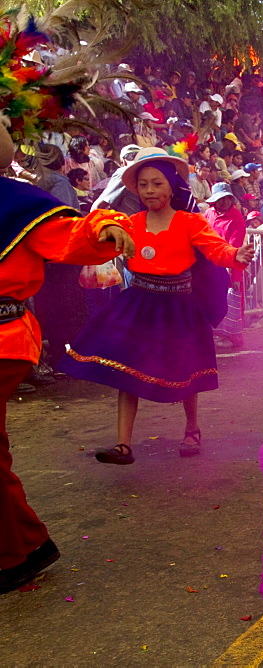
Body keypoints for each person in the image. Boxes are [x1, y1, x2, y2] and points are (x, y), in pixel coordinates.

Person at [0, 120, 135, 595]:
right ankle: (24, 548)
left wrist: (107, 225)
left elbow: (75, 237)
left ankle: (21, 551)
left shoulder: (18, 203)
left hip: (4, 339)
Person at [59, 148, 255, 465]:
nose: (150, 190)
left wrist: (236, 256)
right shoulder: (129, 223)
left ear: (171, 187)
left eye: (158, 184)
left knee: (185, 371)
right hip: (139, 304)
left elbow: (216, 249)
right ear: (136, 189)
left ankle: (192, 428)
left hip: (179, 307)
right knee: (126, 370)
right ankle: (123, 445)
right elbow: (93, 227)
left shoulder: (190, 222)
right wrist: (105, 226)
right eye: (145, 184)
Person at [204, 183, 247, 348]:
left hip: (229, 263)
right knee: (212, 301)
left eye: (227, 199)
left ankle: (232, 337)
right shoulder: (208, 213)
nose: (224, 202)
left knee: (232, 299)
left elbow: (236, 247)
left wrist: (235, 275)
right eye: (220, 199)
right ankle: (215, 335)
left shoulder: (236, 217)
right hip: (210, 264)